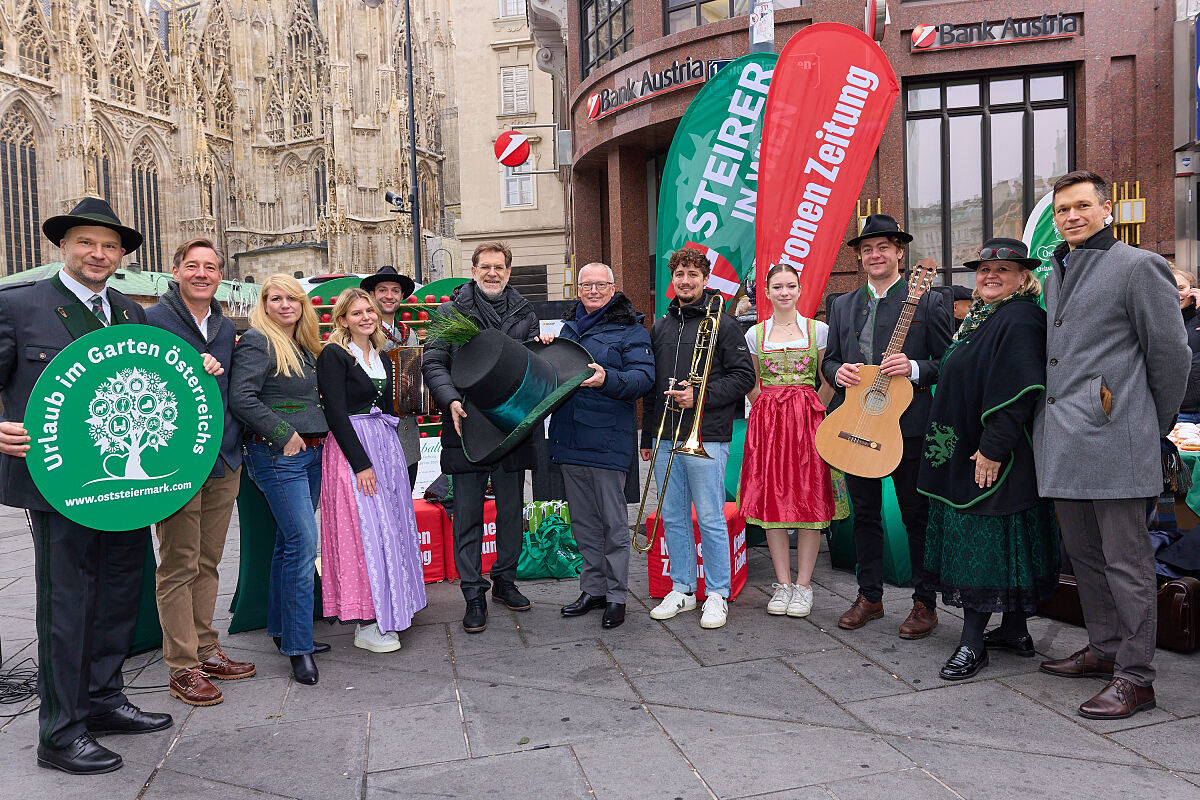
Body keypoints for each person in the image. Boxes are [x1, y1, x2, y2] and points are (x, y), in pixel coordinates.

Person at [0, 198, 173, 775]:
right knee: (68, 603)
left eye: (108, 246)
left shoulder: (130, 312)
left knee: (121, 592)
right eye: (85, 243)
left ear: (121, 256)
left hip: (125, 484)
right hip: (57, 483)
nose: (98, 254)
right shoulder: (20, 305)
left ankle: (102, 700)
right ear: (63, 247)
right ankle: (60, 731)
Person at [1034, 170, 1190, 720]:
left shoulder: (1139, 266)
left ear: (1107, 209)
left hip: (1117, 440)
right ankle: (1104, 650)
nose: (1071, 217)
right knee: (1083, 556)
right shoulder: (1056, 270)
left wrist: (1148, 424)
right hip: (1065, 442)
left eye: (1081, 207)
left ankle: (1137, 677)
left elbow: (1171, 357)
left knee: (1127, 562)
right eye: (1062, 210)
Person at [917, 239, 1060, 681]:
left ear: (1023, 277)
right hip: (964, 445)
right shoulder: (983, 315)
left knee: (981, 545)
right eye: (983, 269)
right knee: (1007, 541)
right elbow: (957, 368)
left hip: (992, 452)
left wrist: (994, 448)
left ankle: (972, 643)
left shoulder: (1019, 318)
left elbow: (1019, 390)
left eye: (1003, 268)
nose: (990, 275)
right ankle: (1014, 631)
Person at [821, 213, 953, 639]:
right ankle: (870, 595)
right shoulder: (842, 304)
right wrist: (837, 370)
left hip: (907, 427)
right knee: (863, 514)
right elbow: (830, 358)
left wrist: (914, 367)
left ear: (900, 252)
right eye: (866, 249)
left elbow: (947, 361)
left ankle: (924, 602)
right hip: (855, 422)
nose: (874, 255)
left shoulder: (928, 300)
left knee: (917, 515)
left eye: (883, 247)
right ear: (860, 257)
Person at [147, 238, 254, 708]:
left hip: (223, 456)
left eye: (211, 267)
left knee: (208, 561)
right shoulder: (152, 321)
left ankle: (207, 648)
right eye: (193, 266)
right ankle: (182, 666)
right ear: (176, 271)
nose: (202, 273)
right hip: (173, 462)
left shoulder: (225, 324)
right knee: (178, 564)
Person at [423, 242, 538, 632]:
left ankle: (504, 580)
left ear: (509, 271)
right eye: (485, 266)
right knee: (467, 514)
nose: (492, 273)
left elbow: (530, 367)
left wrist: (542, 351)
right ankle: (473, 592)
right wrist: (450, 399)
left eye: (499, 267)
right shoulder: (450, 312)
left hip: (510, 426)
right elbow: (433, 361)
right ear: (473, 270)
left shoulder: (525, 312)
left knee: (509, 512)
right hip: (465, 424)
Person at [642, 247, 755, 629]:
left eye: (693, 275)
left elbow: (744, 378)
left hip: (707, 436)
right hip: (666, 436)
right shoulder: (660, 326)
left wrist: (699, 395)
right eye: (680, 275)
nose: (686, 281)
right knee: (673, 516)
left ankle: (718, 593)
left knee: (709, 517)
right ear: (672, 280)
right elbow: (654, 387)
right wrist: (647, 436)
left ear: (705, 280)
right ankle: (683, 589)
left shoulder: (723, 323)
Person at [540, 263, 654, 629]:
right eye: (585, 284)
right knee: (585, 525)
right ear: (577, 288)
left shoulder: (630, 329)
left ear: (612, 287)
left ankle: (618, 596)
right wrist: (545, 351)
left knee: (614, 527)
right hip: (570, 440)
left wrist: (607, 379)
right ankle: (593, 589)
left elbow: (643, 379)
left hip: (607, 441)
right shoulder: (565, 328)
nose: (592, 290)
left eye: (599, 284)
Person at [230, 274, 328, 686]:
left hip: (311, 453)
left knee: (289, 545)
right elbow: (242, 398)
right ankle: (298, 648)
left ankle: (283, 629)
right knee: (304, 546)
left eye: (292, 298)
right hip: (278, 454)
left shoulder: (305, 346)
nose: (285, 304)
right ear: (264, 304)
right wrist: (282, 432)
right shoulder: (258, 340)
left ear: (303, 304)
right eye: (275, 298)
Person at [316, 288, 428, 652]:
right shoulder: (334, 355)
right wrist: (360, 463)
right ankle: (366, 620)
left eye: (369, 310)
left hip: (385, 445)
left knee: (390, 526)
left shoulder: (380, 354)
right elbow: (335, 413)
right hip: (355, 449)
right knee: (362, 531)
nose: (365, 317)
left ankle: (394, 605)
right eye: (356, 312)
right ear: (343, 319)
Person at [740, 263, 834, 619]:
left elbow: (828, 378)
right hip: (769, 425)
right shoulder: (755, 334)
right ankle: (782, 584)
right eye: (777, 286)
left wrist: (814, 410)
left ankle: (804, 585)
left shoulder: (818, 330)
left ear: (800, 289)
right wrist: (765, 408)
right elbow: (751, 380)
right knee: (774, 502)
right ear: (766, 291)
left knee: (809, 499)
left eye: (790, 286)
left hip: (808, 422)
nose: (784, 292)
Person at [361, 265, 421, 486]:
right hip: (378, 434)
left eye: (395, 290)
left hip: (407, 437)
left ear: (402, 296)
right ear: (372, 295)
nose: (389, 296)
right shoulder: (364, 331)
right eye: (383, 290)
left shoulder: (410, 334)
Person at [1173, 268, 1200, 424]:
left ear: (1193, 289)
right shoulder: (1161, 323)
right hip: (1179, 413)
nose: (1177, 294)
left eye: (1181, 288)